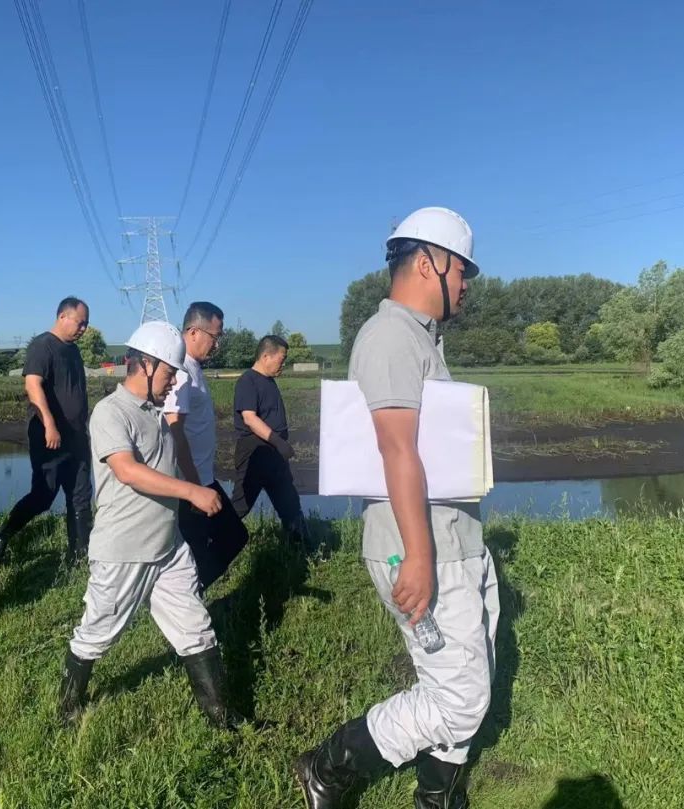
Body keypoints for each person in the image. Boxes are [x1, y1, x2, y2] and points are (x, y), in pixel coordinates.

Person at [295, 208, 500, 809]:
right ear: (428, 262)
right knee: (459, 697)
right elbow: (396, 449)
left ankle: (436, 797)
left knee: (472, 676)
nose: (466, 284)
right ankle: (329, 767)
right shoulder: (389, 338)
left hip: (454, 539)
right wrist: (419, 554)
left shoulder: (421, 338)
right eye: (463, 270)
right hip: (421, 544)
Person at [59, 321, 245, 729]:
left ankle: (221, 717)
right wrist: (191, 493)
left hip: (168, 545)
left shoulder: (158, 414)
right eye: (168, 372)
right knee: (99, 631)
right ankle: (67, 710)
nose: (174, 380)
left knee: (195, 627)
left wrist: (194, 487)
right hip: (124, 549)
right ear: (143, 365)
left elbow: (170, 460)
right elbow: (127, 471)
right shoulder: (111, 412)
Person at [0, 297, 92, 568]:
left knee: (80, 496)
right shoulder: (43, 346)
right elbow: (33, 385)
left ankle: (79, 559)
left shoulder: (73, 351)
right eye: (80, 323)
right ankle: (2, 535)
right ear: (62, 317)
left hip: (77, 436)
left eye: (86, 324)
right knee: (43, 496)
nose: (84, 329)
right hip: (50, 436)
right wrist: (49, 423)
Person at [163, 302, 249, 591]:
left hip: (203, 477)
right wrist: (193, 486)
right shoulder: (180, 373)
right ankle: (184, 602)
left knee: (233, 537)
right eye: (215, 336)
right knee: (206, 547)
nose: (218, 344)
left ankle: (188, 596)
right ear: (194, 332)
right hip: (191, 481)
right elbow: (174, 429)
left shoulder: (194, 368)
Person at [230, 334, 311, 549]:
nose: (283, 363)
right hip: (255, 452)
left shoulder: (269, 381)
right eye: (281, 358)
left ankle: (300, 549)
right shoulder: (248, 381)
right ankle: (214, 540)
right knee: (241, 504)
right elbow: (249, 418)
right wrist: (279, 441)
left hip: (274, 453)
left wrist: (279, 445)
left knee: (289, 502)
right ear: (266, 355)